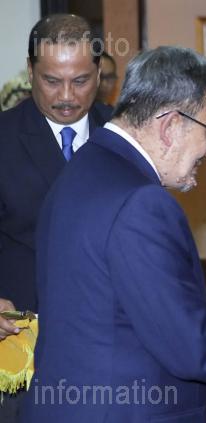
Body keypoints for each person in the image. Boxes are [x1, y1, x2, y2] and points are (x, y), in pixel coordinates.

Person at [20, 45, 206, 422]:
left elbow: (112, 311)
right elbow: (191, 352)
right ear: (170, 125)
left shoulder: (85, 167)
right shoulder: (141, 202)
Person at [0, 14, 112, 421]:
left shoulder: (125, 136)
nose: (66, 96)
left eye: (80, 80)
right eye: (51, 80)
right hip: (21, 340)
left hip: (110, 342)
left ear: (99, 74)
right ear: (30, 71)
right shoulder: (3, 138)